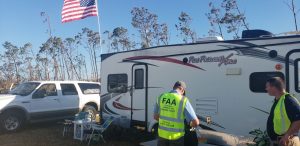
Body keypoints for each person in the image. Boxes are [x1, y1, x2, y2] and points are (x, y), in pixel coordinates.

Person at [153, 81, 200, 146]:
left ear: (173, 88)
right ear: (182, 90)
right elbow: (196, 122)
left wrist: (166, 123)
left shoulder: (161, 97)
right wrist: (190, 124)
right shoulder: (183, 100)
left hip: (162, 136)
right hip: (176, 137)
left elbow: (155, 116)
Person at [265, 77, 300, 146]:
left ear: (273, 87)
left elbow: (298, 120)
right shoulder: (279, 100)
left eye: (267, 87)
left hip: (286, 141)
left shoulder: (288, 100)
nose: (266, 89)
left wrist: (287, 135)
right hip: (280, 141)